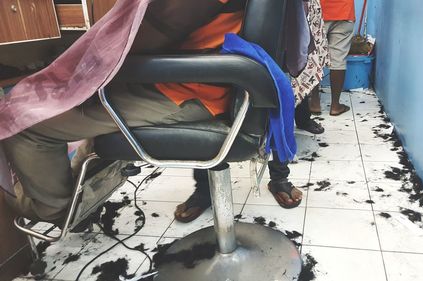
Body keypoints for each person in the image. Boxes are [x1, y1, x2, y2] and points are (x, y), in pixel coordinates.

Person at [1, 0, 248, 223]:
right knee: (72, 100)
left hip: (186, 91)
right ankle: (80, 189)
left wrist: (89, 67)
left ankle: (58, 210)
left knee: (25, 123)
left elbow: (148, 36)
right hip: (193, 84)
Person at [175, 0, 331, 222]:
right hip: (215, 26)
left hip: (276, 24)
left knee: (279, 93)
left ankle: (279, 177)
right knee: (209, 96)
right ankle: (204, 188)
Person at [309, 0, 355, 116]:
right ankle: (335, 106)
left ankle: (314, 103)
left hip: (318, 11)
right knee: (339, 59)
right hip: (344, 11)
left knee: (314, 57)